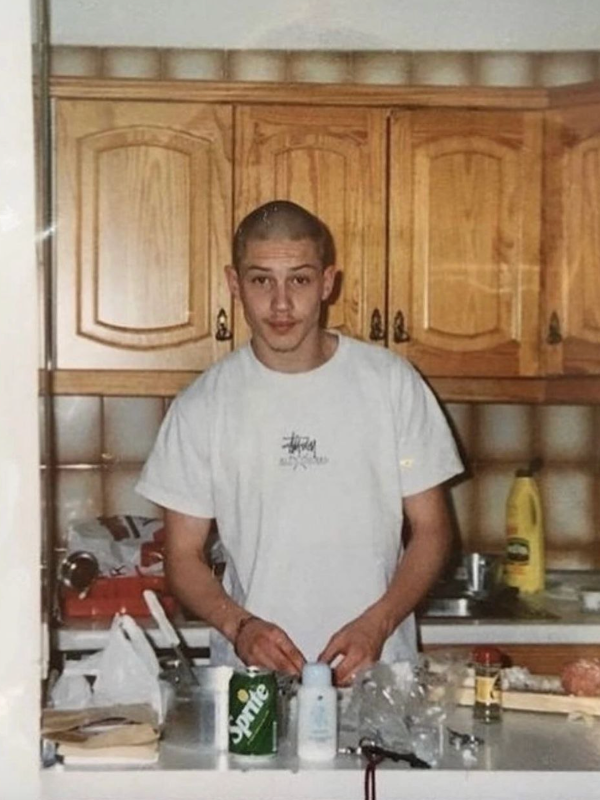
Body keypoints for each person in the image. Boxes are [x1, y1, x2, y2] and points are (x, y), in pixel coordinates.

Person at [136, 200, 463, 685]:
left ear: (328, 283)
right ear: (234, 284)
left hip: (377, 673)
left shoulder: (390, 383)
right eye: (261, 281)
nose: (281, 304)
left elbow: (432, 530)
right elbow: (183, 557)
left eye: (300, 280)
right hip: (255, 680)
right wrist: (239, 627)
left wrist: (377, 625)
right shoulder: (202, 404)